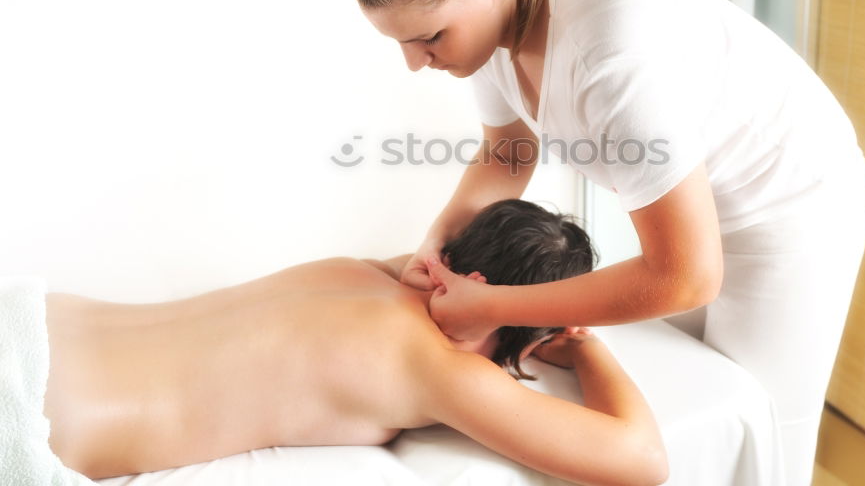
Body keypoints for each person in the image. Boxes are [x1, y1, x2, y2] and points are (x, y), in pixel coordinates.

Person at [347, 0, 865, 486]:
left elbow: (686, 276)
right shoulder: (493, 36)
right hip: (694, 212)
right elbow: (508, 153)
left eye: (429, 38)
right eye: (402, 42)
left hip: (789, 207)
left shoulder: (609, 53)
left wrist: (492, 305)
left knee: (759, 420)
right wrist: (434, 248)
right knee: (679, 389)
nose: (416, 62)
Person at [41, 199, 669, 485]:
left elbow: (423, 269)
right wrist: (583, 344)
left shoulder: (365, 271)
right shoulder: (437, 367)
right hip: (37, 421)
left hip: (38, 323)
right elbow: (643, 461)